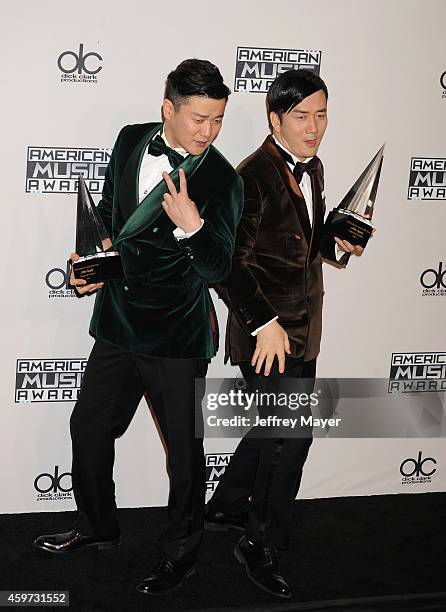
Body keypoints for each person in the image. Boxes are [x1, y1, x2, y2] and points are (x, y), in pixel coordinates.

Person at [34, 58, 243, 595]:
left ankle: (181, 553)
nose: (209, 131)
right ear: (167, 110)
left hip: (177, 336)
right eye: (198, 118)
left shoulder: (222, 178)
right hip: (119, 323)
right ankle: (96, 526)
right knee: (89, 426)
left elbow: (219, 267)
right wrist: (95, 259)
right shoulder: (130, 141)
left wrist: (193, 227)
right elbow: (109, 213)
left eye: (217, 119)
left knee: (185, 454)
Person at [205, 69, 365, 598]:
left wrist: (337, 246)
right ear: (275, 119)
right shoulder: (250, 176)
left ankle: (228, 506)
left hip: (303, 332)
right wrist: (264, 324)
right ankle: (258, 543)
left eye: (322, 114)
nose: (314, 126)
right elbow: (232, 264)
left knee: (274, 431)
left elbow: (304, 239)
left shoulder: (312, 168)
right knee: (289, 438)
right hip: (267, 336)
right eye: (302, 116)